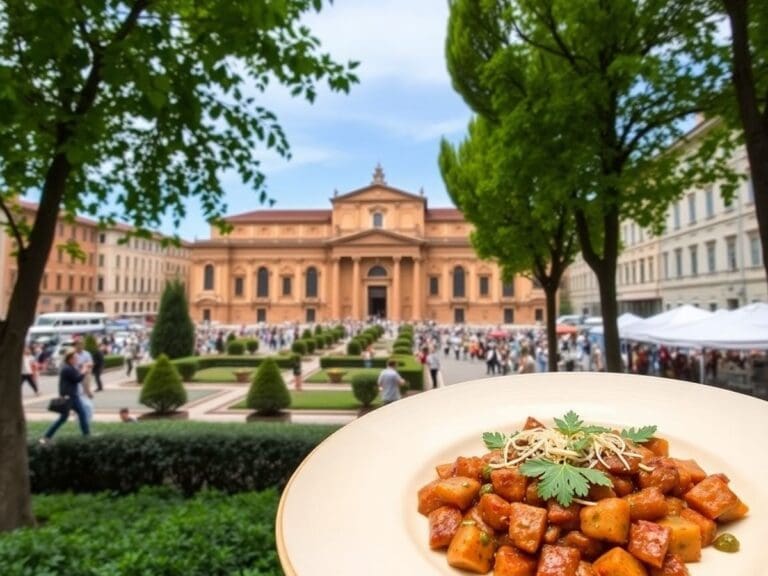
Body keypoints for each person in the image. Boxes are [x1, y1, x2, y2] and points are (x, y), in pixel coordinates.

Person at [41, 351, 91, 441]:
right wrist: (84, 371)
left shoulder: (68, 368)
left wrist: (82, 369)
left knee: (63, 418)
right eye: (75, 358)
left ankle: (47, 436)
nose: (77, 359)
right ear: (70, 359)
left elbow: (74, 376)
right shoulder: (68, 369)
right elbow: (77, 379)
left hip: (68, 396)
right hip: (71, 397)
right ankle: (86, 435)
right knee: (82, 414)